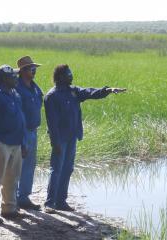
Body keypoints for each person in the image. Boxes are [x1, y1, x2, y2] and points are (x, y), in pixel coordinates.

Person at [44, 64, 126, 213]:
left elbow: (89, 92)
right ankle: (50, 203)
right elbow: (52, 123)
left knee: (68, 169)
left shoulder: (73, 91)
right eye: (68, 74)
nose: (71, 76)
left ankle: (61, 201)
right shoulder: (52, 96)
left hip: (72, 137)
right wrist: (55, 142)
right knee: (56, 169)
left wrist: (107, 90)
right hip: (60, 139)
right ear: (60, 77)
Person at [0, 64, 26, 224]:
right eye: (13, 76)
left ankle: (9, 208)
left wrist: (23, 142)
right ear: (4, 79)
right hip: (1, 143)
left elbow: (21, 120)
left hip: (16, 142)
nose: (16, 78)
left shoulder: (15, 93)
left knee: (13, 177)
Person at [16, 56, 43, 211]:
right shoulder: (17, 87)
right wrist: (22, 137)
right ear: (22, 71)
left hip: (33, 131)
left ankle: (24, 197)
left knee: (30, 165)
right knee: (18, 165)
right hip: (22, 131)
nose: (34, 70)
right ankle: (13, 198)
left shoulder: (34, 86)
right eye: (31, 68)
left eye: (34, 68)